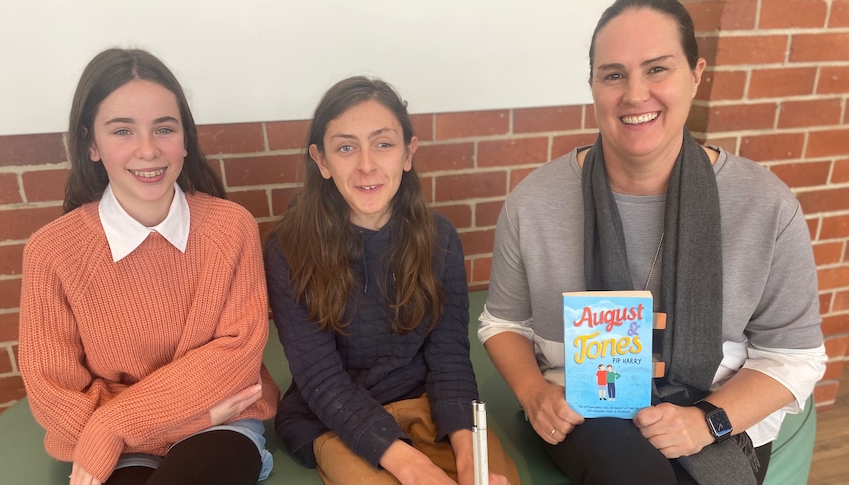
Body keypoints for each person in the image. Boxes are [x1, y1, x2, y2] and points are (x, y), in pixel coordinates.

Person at [477, 1, 826, 484]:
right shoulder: (533, 204)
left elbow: (795, 356)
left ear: (695, 74)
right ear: (593, 85)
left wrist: (707, 422)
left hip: (717, 408)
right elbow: (502, 322)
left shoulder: (765, 206)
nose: (635, 94)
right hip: (588, 413)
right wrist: (534, 393)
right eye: (613, 75)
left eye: (657, 69)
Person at [18, 48, 279, 485]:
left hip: (222, 425)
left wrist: (114, 423)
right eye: (122, 130)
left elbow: (235, 359)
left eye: (164, 128)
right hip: (121, 450)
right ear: (91, 144)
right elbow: (54, 397)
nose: (148, 149)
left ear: (185, 139)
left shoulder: (232, 228)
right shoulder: (52, 252)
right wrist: (168, 420)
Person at [265, 76, 520, 485]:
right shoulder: (288, 250)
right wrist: (413, 467)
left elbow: (450, 359)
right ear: (322, 160)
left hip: (427, 404)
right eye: (346, 147)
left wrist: (469, 454)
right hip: (335, 417)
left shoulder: (440, 239)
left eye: (383, 143)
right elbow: (321, 379)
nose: (367, 164)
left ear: (408, 152)